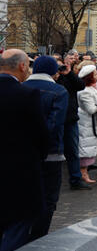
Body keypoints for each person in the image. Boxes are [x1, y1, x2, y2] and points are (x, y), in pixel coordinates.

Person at [0, 49, 48, 251]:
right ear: (21, 66)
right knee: (18, 226)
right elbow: (41, 134)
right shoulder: (26, 94)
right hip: (19, 172)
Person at [24, 55, 68, 240]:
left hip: (23, 152)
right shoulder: (59, 91)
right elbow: (55, 123)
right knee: (49, 197)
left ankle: (21, 234)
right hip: (50, 152)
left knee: (24, 194)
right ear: (53, 71)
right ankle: (39, 236)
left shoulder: (20, 87)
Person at [57, 50, 87, 189]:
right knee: (54, 151)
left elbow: (80, 85)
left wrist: (68, 73)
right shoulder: (53, 78)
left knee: (73, 151)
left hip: (70, 118)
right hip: (56, 119)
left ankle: (76, 179)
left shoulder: (69, 76)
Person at [76, 64, 97, 184]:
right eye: (95, 74)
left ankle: (83, 172)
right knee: (85, 148)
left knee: (89, 147)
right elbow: (91, 109)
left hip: (92, 123)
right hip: (86, 123)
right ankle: (83, 173)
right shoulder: (84, 91)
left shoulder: (93, 86)